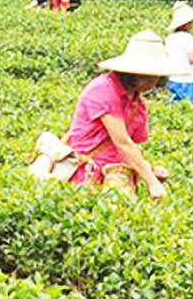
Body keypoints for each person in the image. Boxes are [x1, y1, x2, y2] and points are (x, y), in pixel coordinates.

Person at [64, 30, 174, 199]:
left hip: (116, 173)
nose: (154, 82)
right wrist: (151, 182)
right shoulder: (104, 90)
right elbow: (122, 143)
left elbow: (131, 148)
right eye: (150, 77)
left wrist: (149, 169)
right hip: (86, 172)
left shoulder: (138, 103)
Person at [163, 1, 193, 102]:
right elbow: (191, 59)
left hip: (173, 79)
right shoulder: (189, 38)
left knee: (175, 107)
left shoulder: (169, 38)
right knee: (189, 107)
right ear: (186, 24)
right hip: (188, 80)